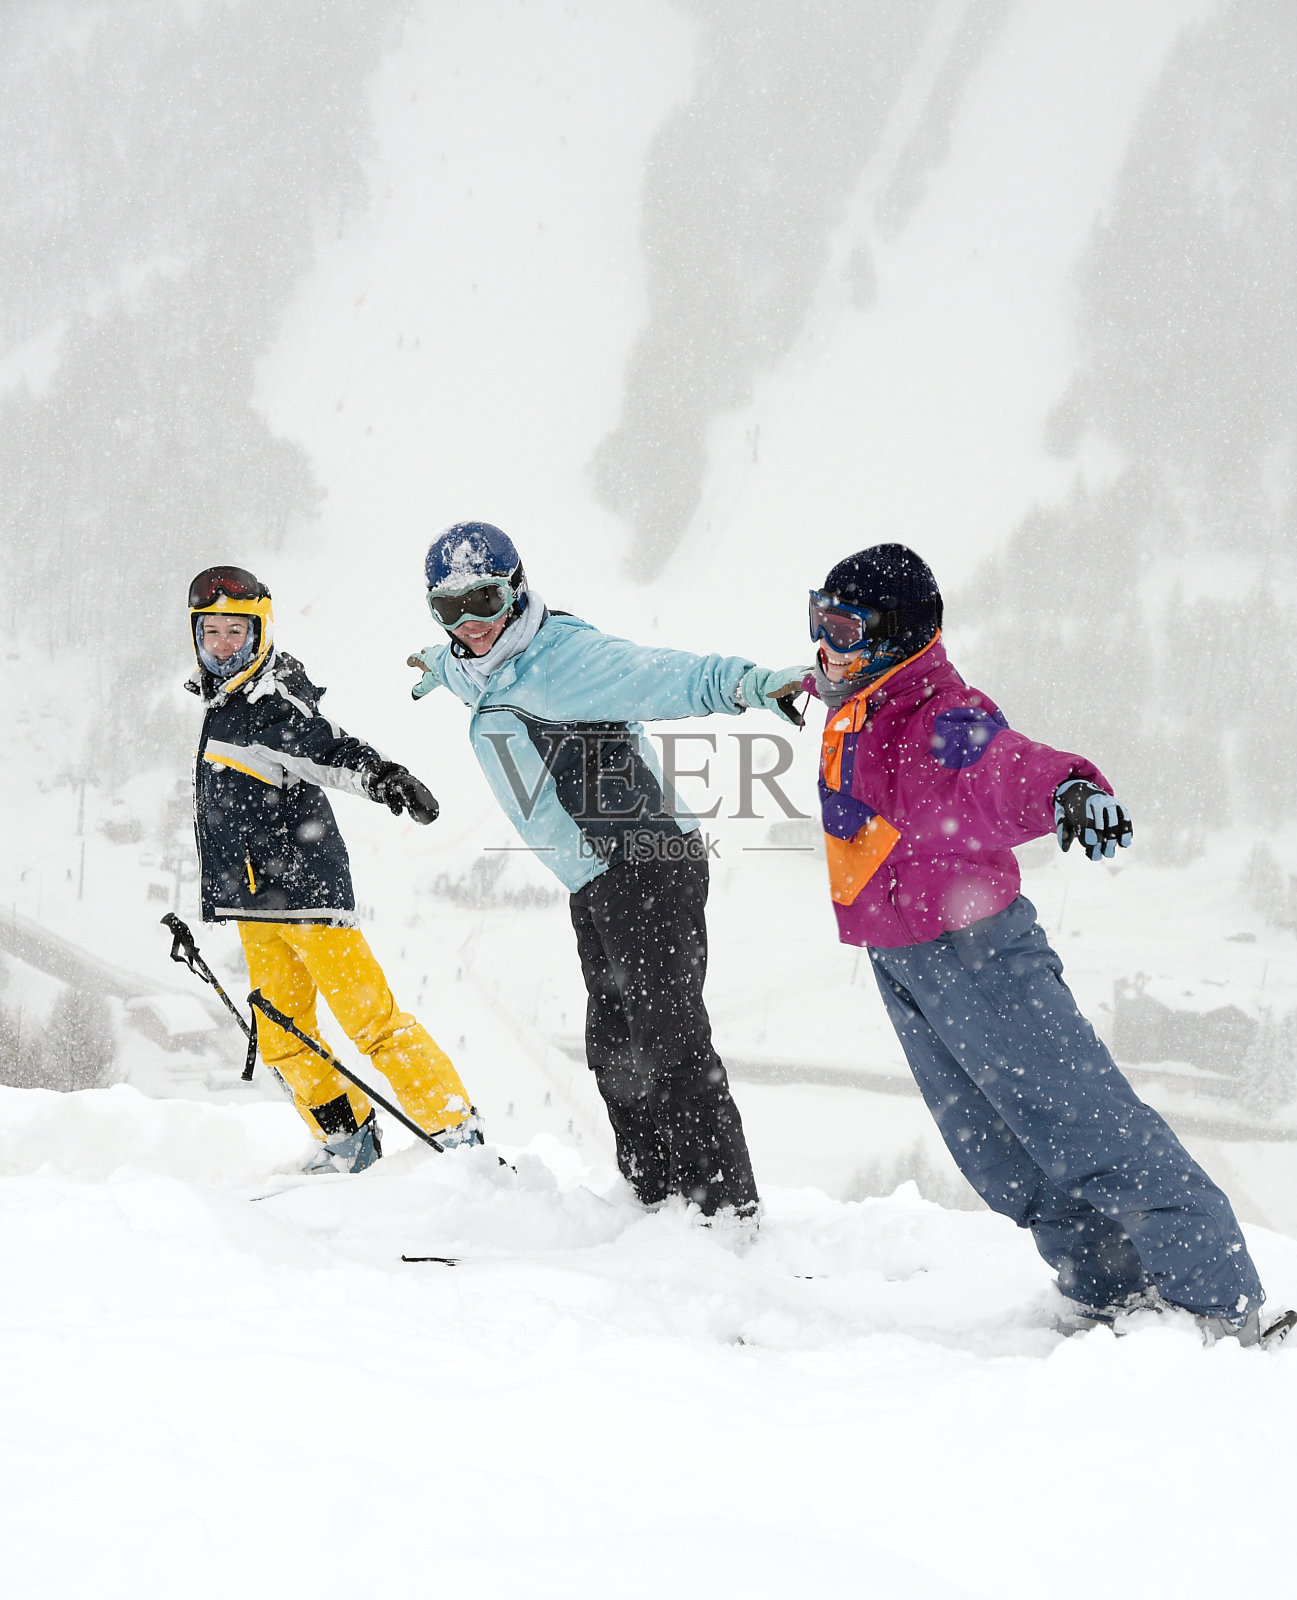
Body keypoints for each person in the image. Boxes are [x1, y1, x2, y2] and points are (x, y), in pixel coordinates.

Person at [805, 543, 1291, 1346]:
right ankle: (1108, 1291)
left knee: (1088, 1127)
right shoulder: (860, 703)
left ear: (896, 636)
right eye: (818, 621)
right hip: (901, 958)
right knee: (998, 1153)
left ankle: (1218, 1309)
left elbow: (1003, 764)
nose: (826, 645)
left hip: (977, 954)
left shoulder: (939, 718)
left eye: (845, 627)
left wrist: (1067, 786)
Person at [407, 521, 807, 1219]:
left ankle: (721, 1213)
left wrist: (747, 685)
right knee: (615, 1046)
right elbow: (486, 679)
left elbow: (666, 676)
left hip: (648, 861)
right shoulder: (488, 661)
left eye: (485, 599)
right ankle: (654, 1198)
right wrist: (439, 667)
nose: (470, 623)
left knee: (670, 1043)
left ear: (517, 589)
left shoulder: (565, 659)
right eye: (449, 609)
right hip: (596, 873)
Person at [185, 564, 479, 1172]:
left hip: (309, 896)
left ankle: (455, 1136)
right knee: (282, 1036)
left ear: (260, 632)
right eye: (210, 632)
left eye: (235, 633)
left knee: (371, 1022)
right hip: (257, 902)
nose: (221, 646)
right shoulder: (224, 703)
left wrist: (386, 778)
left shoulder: (270, 700)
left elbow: (331, 750)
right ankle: (349, 1141)